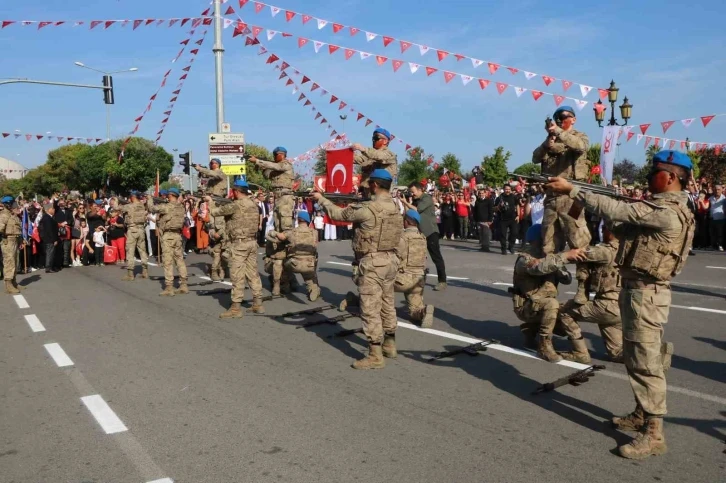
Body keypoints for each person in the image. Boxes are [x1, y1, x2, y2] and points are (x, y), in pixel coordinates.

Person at [546, 150, 695, 460]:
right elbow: (620, 220)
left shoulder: (667, 211)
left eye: (655, 171)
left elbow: (619, 211)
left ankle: (653, 434)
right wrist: (596, 202)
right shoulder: (660, 208)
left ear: (670, 177)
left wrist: (574, 190)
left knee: (646, 363)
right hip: (635, 293)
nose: (649, 176)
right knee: (634, 357)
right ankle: (642, 414)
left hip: (646, 295)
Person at [313, 169, 403, 369]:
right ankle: (390, 343)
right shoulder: (395, 207)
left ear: (375, 185)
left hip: (372, 262)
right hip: (390, 260)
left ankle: (375, 354)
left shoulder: (368, 209)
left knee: (370, 308)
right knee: (387, 304)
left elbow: (339, 214)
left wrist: (321, 199)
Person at [532, 105, 591, 304]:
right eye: (557, 118)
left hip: (571, 198)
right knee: (548, 245)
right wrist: (547, 142)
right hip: (551, 199)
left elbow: (579, 147)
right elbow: (535, 157)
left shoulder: (579, 136)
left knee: (579, 242)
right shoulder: (552, 140)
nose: (559, 120)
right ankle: (549, 286)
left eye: (563, 117)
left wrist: (558, 132)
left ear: (573, 119)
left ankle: (583, 287)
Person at [340, 209, 434, 328]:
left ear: (407, 222)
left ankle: (356, 301)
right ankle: (422, 312)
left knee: (374, 283)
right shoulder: (422, 238)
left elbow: (392, 256)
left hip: (402, 279)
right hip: (419, 280)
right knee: (414, 309)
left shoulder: (402, 238)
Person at [511, 224, 586, 362]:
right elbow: (538, 268)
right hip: (526, 306)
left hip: (540, 305)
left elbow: (567, 279)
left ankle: (531, 329)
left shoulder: (550, 258)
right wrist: (564, 257)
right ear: (539, 240)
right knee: (552, 304)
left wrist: (559, 267)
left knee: (569, 311)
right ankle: (544, 346)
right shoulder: (525, 258)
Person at [558, 223, 622, 363]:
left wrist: (559, 256)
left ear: (611, 232)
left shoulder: (607, 251)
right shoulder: (627, 249)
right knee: (616, 353)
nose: (603, 232)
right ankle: (656, 356)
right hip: (622, 307)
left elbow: (582, 254)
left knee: (565, 311)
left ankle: (579, 352)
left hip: (607, 306)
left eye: (604, 229)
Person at [205, 179, 265, 319]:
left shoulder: (236, 205)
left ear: (236, 191)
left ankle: (236, 308)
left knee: (237, 275)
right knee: (252, 273)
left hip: (239, 245)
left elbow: (214, 212)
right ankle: (258, 303)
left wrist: (210, 201)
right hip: (251, 242)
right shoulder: (253, 205)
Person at [268, 210, 321, 302]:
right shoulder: (314, 232)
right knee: (309, 275)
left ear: (298, 219)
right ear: (308, 220)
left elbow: (281, 237)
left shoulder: (292, 232)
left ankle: (284, 286)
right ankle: (313, 288)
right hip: (310, 263)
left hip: (294, 263)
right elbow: (315, 245)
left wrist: (273, 232)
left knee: (281, 262)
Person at [403, 182, 447, 291]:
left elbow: (417, 210)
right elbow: (409, 213)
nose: (412, 194)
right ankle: (419, 279)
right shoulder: (415, 200)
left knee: (436, 257)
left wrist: (406, 203)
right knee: (418, 257)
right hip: (419, 232)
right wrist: (406, 203)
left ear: (419, 190)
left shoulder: (426, 198)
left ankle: (442, 281)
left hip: (430, 232)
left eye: (413, 192)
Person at [147, 188, 189, 296]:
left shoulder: (167, 207)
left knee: (168, 261)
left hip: (168, 236)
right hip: (178, 236)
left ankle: (169, 287)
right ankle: (184, 284)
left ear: (170, 195)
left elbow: (152, 208)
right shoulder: (181, 207)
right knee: (179, 260)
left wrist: (150, 199)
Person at [248, 147, 294, 231]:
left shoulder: (286, 165)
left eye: (275, 155)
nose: (274, 157)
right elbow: (267, 176)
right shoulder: (276, 168)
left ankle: (288, 243)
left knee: (285, 225)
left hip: (285, 197)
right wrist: (262, 168)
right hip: (278, 197)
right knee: (277, 224)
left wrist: (258, 161)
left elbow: (275, 166)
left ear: (281, 155)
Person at [351, 128, 398, 195]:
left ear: (385, 141)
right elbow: (356, 159)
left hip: (381, 195)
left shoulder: (390, 155)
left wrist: (363, 149)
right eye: (373, 138)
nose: (373, 140)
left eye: (376, 138)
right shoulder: (370, 155)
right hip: (366, 193)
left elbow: (379, 156)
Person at [117, 191, 149, 280]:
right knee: (142, 251)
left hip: (132, 230)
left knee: (130, 251)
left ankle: (130, 274)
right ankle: (145, 271)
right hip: (141, 230)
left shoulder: (129, 206)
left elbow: (117, 208)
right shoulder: (142, 205)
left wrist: (116, 200)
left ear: (132, 197)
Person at [0, 197, 22, 294]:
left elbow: (17, 228)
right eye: (13, 203)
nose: (15, 205)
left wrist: (20, 241)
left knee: (15, 262)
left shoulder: (12, 214)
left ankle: (14, 282)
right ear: (8, 204)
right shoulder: (4, 215)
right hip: (8, 241)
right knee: (9, 262)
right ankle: (9, 286)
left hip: (15, 240)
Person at [497, 184, 519, 254]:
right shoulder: (500, 197)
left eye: (509, 189)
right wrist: (499, 206)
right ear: (503, 189)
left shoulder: (514, 197)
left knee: (514, 233)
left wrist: (518, 215)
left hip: (513, 218)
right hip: (503, 219)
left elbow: (517, 205)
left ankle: (511, 246)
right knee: (503, 235)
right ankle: (503, 249)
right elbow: (494, 208)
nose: (508, 191)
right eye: (506, 189)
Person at [208, 208, 228, 282]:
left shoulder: (229, 209)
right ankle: (214, 272)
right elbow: (211, 226)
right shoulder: (214, 211)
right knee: (217, 255)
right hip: (218, 237)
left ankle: (222, 271)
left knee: (226, 255)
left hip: (227, 237)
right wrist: (214, 234)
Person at [38, 203, 59, 273]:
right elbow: (49, 230)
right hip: (49, 239)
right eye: (52, 208)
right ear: (48, 210)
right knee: (50, 252)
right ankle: (48, 267)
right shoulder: (47, 218)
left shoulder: (49, 217)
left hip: (49, 238)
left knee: (51, 253)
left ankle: (50, 266)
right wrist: (54, 240)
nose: (54, 209)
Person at [708, 185, 725, 251]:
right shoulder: (711, 198)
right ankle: (713, 245)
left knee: (720, 233)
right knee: (712, 233)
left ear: (721, 190)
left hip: (721, 218)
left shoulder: (724, 198)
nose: (717, 191)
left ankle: (720, 245)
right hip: (712, 218)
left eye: (718, 189)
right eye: (715, 189)